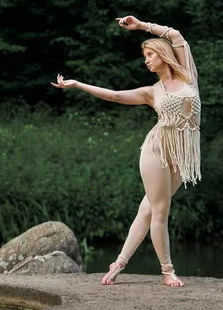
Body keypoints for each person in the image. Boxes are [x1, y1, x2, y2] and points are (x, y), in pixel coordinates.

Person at [51, 15, 201, 287]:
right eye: (144, 55)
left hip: (182, 153)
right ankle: (167, 271)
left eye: (150, 54)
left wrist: (141, 25)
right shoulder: (152, 91)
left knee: (147, 210)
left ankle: (118, 262)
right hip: (156, 151)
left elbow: (177, 35)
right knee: (160, 210)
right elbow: (114, 95)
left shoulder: (189, 75)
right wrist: (77, 85)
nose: (146, 60)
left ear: (164, 54)